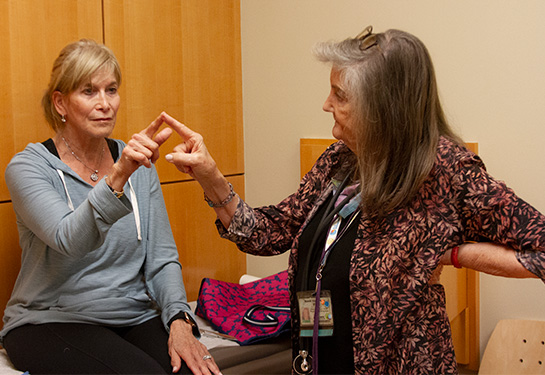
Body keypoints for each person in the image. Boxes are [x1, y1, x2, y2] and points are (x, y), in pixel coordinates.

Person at [159, 25, 545, 375]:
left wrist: (456, 254)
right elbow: (269, 233)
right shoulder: (338, 161)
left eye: (340, 95)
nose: (326, 104)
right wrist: (210, 177)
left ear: (383, 107)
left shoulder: (445, 171)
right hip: (319, 351)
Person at [0, 39, 221, 375]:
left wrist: (179, 319)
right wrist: (118, 176)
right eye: (88, 91)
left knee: (197, 371)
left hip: (131, 314)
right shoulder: (29, 167)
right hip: (48, 320)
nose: (105, 104)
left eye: (111, 90)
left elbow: (160, 259)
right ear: (60, 102)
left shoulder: (136, 164)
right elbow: (70, 239)